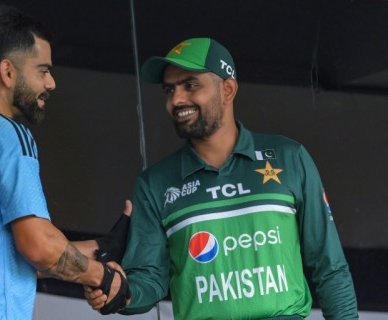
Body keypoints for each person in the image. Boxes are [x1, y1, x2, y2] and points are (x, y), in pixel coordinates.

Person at [85, 38, 358, 319]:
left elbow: (330, 267)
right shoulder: (154, 184)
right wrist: (121, 290)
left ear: (227, 89)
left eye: (191, 85)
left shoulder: (288, 158)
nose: (176, 100)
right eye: (170, 90)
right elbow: (149, 280)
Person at [0, 5, 130, 319]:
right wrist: (103, 277)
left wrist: (101, 246)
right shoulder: (5, 134)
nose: (51, 83)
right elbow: (38, 248)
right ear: (7, 72)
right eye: (42, 70)